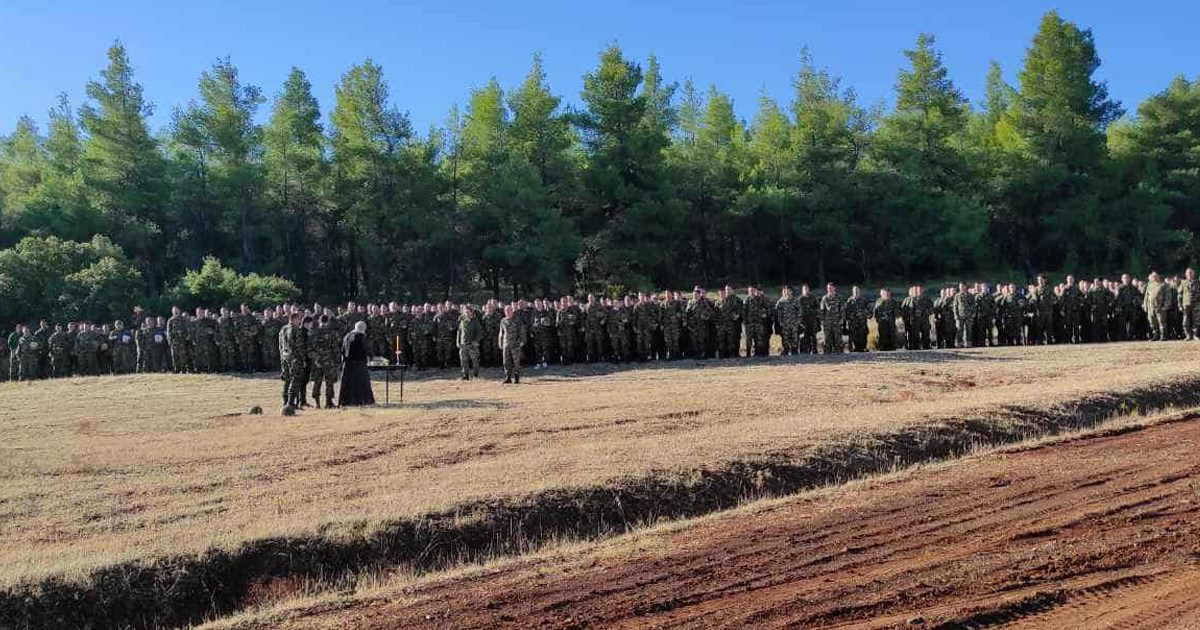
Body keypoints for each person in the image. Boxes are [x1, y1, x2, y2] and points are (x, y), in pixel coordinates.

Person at [338, 320, 376, 406]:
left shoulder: (347, 336)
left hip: (347, 364)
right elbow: (367, 350)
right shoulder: (362, 337)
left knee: (348, 384)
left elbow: (342, 349)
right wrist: (371, 357)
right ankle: (362, 400)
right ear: (363, 329)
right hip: (360, 364)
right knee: (360, 383)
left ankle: (346, 401)